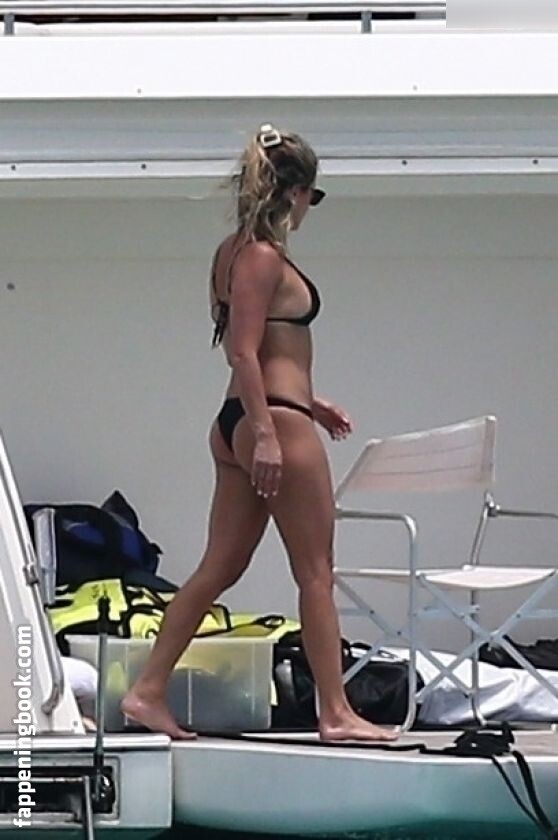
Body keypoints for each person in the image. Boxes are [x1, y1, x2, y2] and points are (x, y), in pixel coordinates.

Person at [122, 123, 397, 742]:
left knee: (219, 567)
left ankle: (147, 691)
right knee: (316, 570)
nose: (309, 209)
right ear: (293, 192)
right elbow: (243, 352)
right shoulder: (262, 257)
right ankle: (335, 712)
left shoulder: (232, 251)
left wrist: (311, 401)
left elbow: (268, 347)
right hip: (268, 421)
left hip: (247, 420)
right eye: (311, 197)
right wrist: (271, 433)